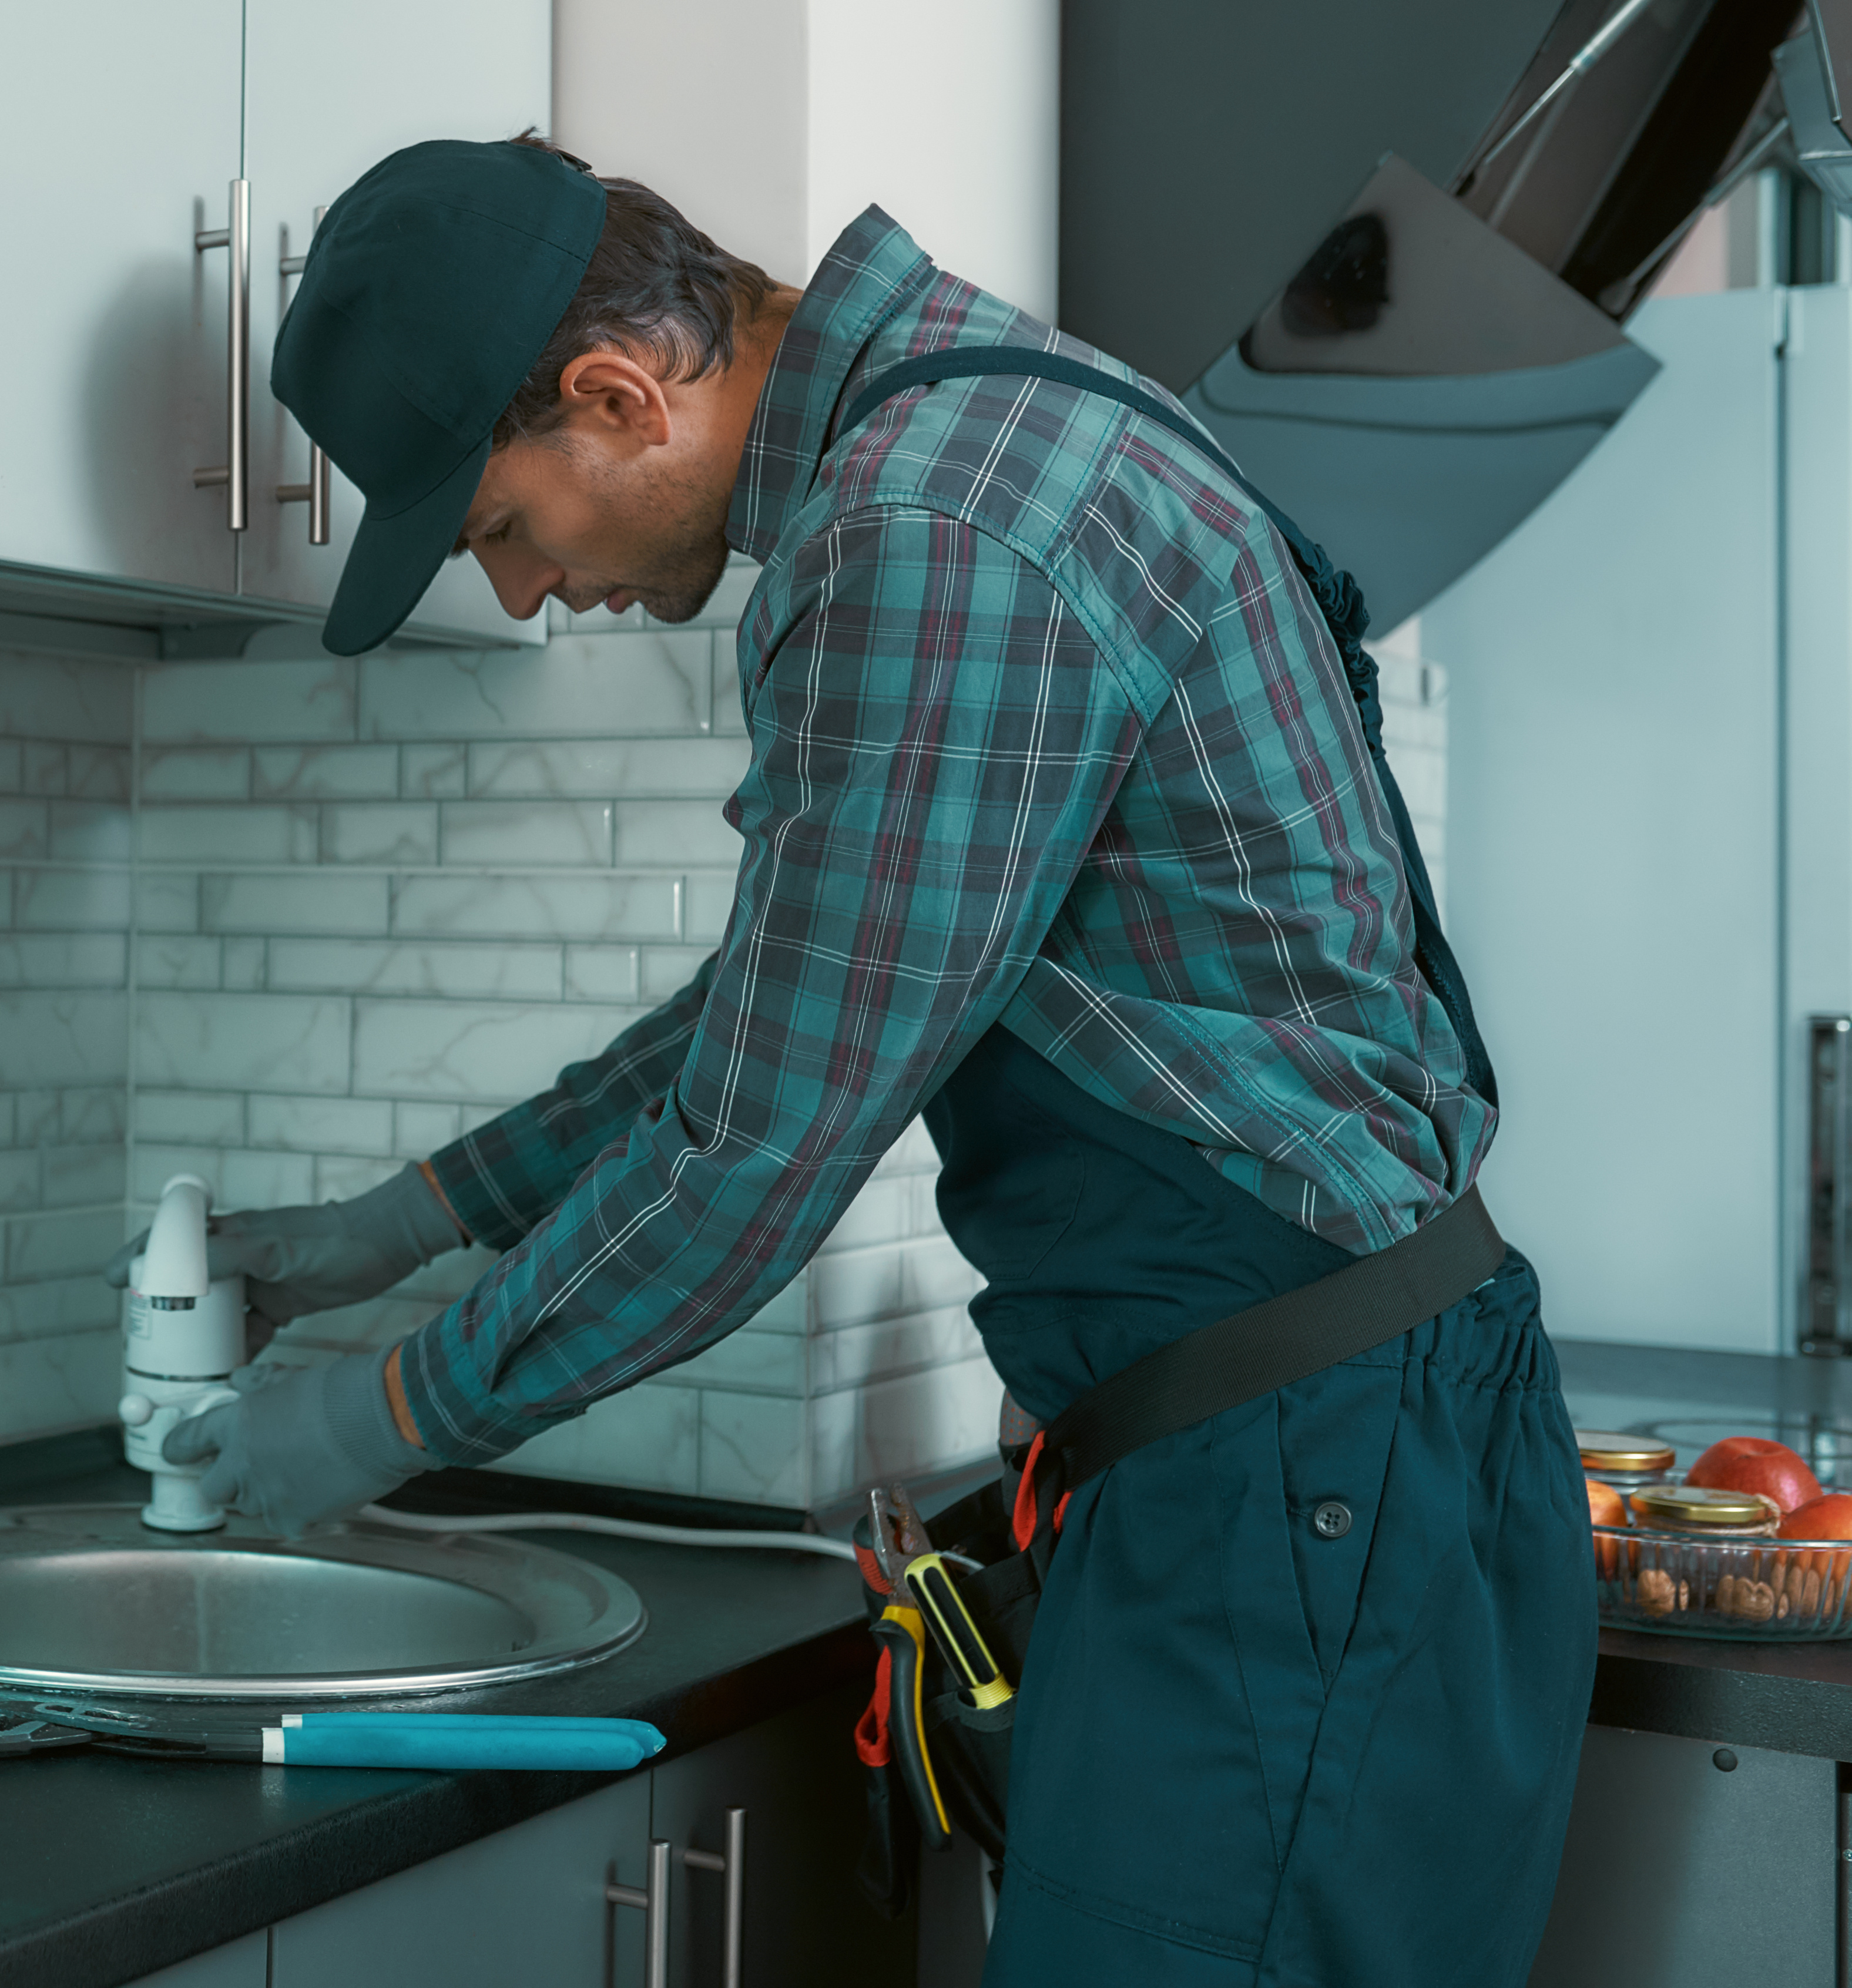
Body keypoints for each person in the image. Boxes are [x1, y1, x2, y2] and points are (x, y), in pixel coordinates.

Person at [107, 135, 1588, 1984]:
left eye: (497, 527)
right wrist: (409, 1218)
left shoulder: (931, 529)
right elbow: (789, 999)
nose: (516, 593)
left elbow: (756, 1150)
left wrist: (390, 1416)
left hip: (1297, 1494)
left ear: (615, 396)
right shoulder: (969, 435)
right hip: (1291, 1473)